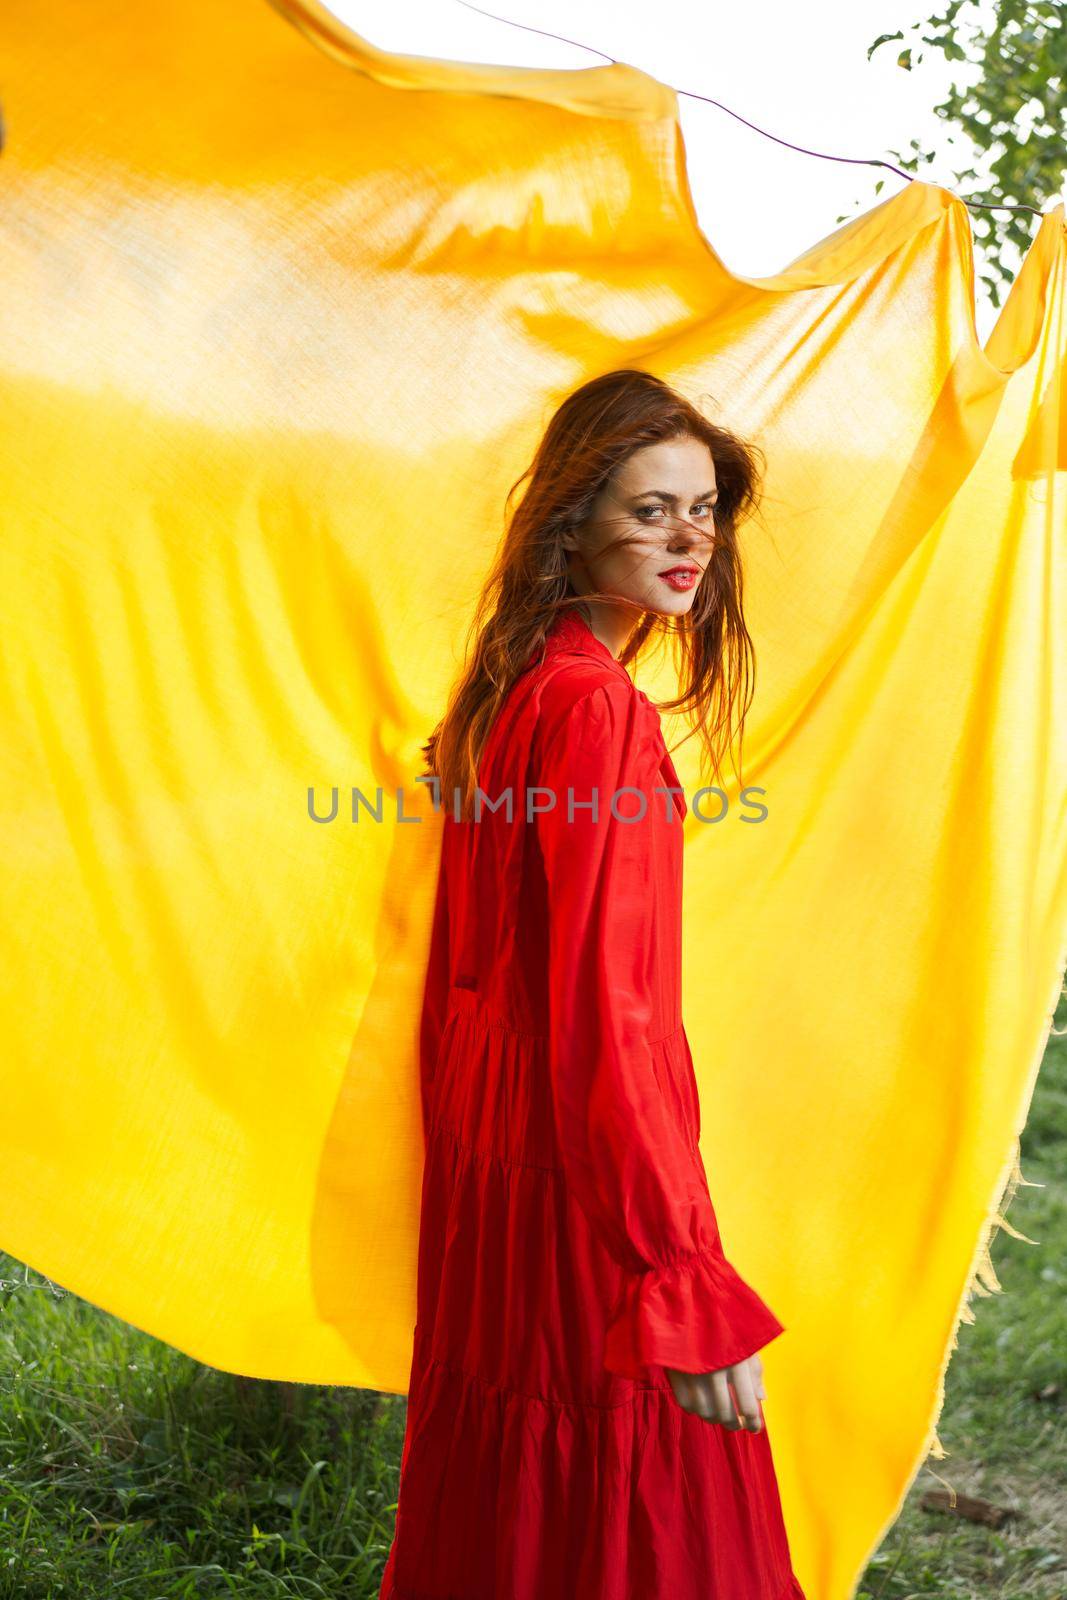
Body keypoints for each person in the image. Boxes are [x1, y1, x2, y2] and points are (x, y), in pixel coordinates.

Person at [379, 369, 806, 1599]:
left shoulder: (517, 687)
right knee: (648, 1510)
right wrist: (676, 1272)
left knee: (532, 1500)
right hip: (586, 1182)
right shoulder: (593, 713)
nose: (689, 540)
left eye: (705, 510)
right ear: (570, 523)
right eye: (649, 510)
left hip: (510, 1164)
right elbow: (605, 1014)